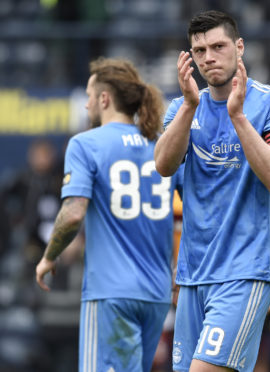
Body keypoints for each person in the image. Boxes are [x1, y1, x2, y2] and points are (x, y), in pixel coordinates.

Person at [153, 10, 270, 372]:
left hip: (244, 270)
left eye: (218, 46)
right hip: (192, 276)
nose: (208, 57)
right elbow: (163, 165)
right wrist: (190, 106)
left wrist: (237, 117)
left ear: (239, 47)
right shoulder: (181, 108)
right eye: (199, 50)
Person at [35, 57, 183, 372]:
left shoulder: (85, 144)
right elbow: (189, 215)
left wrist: (49, 256)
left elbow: (73, 213)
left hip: (111, 293)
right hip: (157, 293)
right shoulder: (162, 145)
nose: (87, 104)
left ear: (104, 98)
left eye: (89, 96)